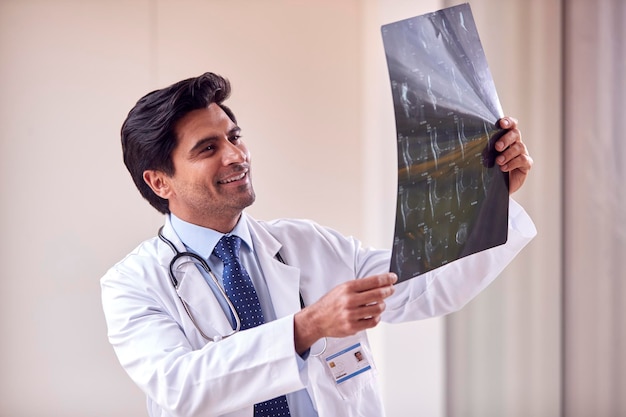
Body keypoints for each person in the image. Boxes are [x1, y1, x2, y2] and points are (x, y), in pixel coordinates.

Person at [101, 72, 536, 417]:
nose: (236, 155)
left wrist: (487, 197)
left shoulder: (307, 243)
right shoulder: (132, 284)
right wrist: (307, 327)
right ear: (160, 181)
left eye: (234, 137)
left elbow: (421, 288)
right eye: (208, 148)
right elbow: (180, 386)